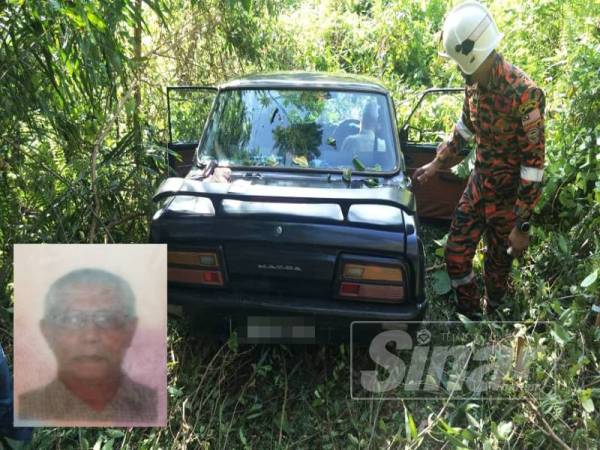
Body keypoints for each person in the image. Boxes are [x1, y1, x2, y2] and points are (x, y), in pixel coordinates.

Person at [413, 1, 545, 316]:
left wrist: (522, 224)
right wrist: (436, 164)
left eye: (462, 63)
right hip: (479, 184)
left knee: (498, 269)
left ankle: (494, 313)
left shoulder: (525, 95)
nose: (459, 70)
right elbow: (465, 131)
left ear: (478, 55)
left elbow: (534, 166)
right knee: (455, 254)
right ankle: (469, 312)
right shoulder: (473, 85)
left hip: (508, 198)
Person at [17, 268, 157, 425]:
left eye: (107, 318)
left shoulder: (154, 405)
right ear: (47, 331)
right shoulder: (25, 409)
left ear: (131, 330)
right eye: (71, 319)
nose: (90, 336)